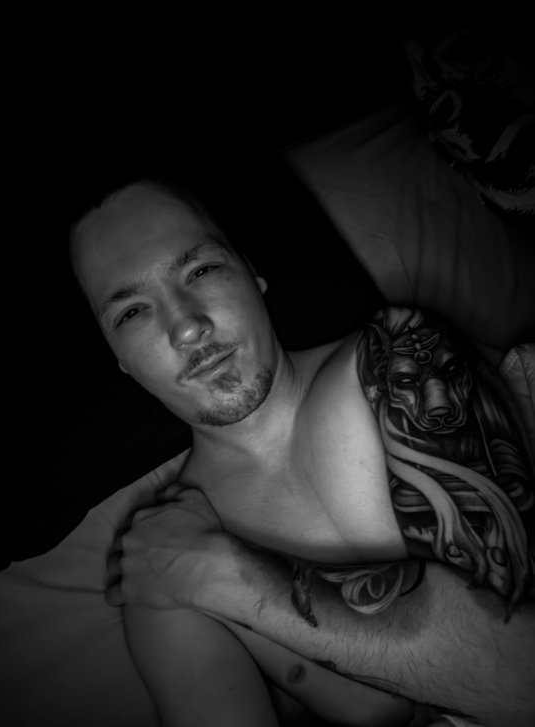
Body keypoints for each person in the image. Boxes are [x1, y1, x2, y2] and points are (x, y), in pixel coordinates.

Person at [70, 178, 535, 726]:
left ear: (252, 275)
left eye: (200, 271)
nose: (188, 327)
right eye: (131, 313)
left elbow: (522, 675)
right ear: (119, 359)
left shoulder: (401, 358)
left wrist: (218, 573)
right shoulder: (155, 567)